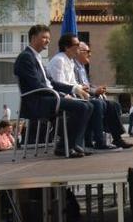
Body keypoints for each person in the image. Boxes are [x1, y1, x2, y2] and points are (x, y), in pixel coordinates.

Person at [14, 25, 91, 158]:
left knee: (88, 105)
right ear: (33, 38)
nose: (47, 41)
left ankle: (72, 144)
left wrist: (74, 89)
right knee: (81, 107)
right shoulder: (26, 57)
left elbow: (52, 82)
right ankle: (64, 146)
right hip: (36, 101)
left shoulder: (36, 57)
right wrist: (61, 95)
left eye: (48, 38)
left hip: (48, 97)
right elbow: (36, 85)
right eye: (44, 37)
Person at [73, 42, 133, 149]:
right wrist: (95, 91)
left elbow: (88, 85)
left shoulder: (82, 67)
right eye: (88, 52)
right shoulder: (73, 66)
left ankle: (117, 138)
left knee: (113, 105)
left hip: (89, 96)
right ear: (79, 52)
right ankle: (99, 141)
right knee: (98, 104)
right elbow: (77, 86)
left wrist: (98, 89)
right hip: (79, 98)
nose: (90, 54)